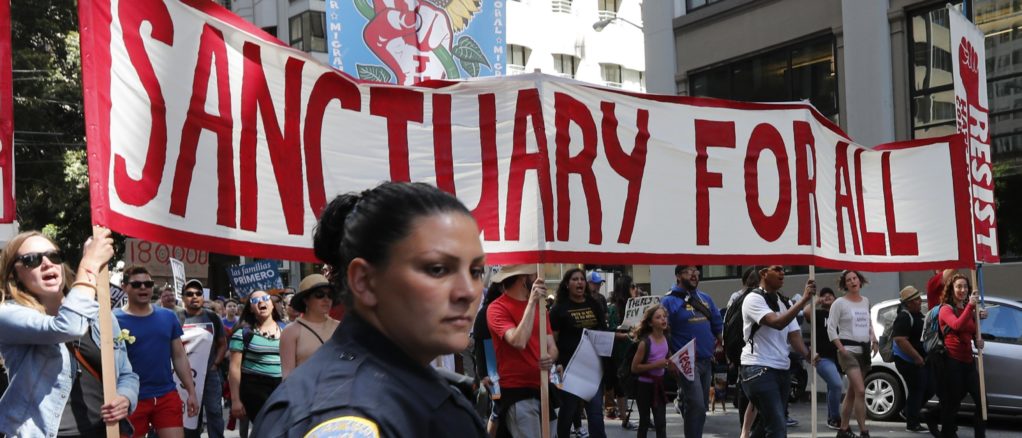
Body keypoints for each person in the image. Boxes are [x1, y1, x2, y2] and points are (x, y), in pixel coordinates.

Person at [253, 182, 488, 436]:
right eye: (438, 269)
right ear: (364, 281)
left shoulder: (406, 388)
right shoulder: (347, 416)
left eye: (476, 271)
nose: (468, 291)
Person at [0, 228, 139, 437]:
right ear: (15, 274)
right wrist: (90, 264)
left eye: (53, 256)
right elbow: (67, 326)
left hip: (103, 431)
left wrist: (126, 398)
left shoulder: (100, 313)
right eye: (31, 260)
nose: (47, 263)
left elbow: (127, 373)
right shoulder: (7, 313)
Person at [116, 265, 199, 438]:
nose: (144, 288)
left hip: (166, 395)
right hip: (130, 399)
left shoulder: (168, 317)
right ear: (124, 287)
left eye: (148, 283)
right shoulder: (113, 320)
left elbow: (179, 356)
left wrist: (191, 392)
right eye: (137, 284)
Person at [740, 265, 814, 438]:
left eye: (783, 269)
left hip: (781, 370)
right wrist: (803, 301)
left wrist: (808, 355)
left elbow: (794, 335)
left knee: (768, 424)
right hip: (758, 369)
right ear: (763, 273)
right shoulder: (753, 299)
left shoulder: (784, 302)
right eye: (777, 269)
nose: (783, 272)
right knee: (778, 428)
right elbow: (777, 322)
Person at [487, 264, 559, 437]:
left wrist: (550, 358)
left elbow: (552, 347)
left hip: (543, 389)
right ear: (523, 279)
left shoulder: (541, 308)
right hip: (518, 392)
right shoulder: (497, 308)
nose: (537, 279)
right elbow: (518, 341)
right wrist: (532, 302)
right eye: (533, 275)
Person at [661, 265, 723, 438]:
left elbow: (717, 325)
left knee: (699, 406)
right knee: (698, 406)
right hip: (685, 361)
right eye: (689, 271)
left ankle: (683, 402)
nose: (694, 275)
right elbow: (663, 332)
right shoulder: (668, 301)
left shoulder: (705, 298)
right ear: (678, 276)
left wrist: (724, 345)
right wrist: (669, 358)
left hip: (706, 360)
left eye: (696, 271)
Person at [551, 268, 608, 438]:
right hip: (569, 367)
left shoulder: (594, 304)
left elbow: (603, 331)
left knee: (596, 412)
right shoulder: (558, 309)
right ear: (567, 285)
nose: (579, 282)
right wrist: (557, 363)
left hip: (593, 366)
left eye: (582, 279)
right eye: (575, 279)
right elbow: (552, 339)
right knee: (569, 410)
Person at [827, 270, 878, 438]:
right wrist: (841, 349)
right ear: (845, 284)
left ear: (860, 280)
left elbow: (868, 323)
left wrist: (874, 339)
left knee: (852, 392)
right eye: (848, 280)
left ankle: (843, 430)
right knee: (861, 391)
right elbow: (831, 328)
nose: (852, 281)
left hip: (864, 351)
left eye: (855, 278)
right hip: (848, 351)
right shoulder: (839, 303)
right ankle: (864, 432)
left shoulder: (865, 301)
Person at [938, 274, 987, 438]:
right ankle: (947, 432)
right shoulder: (945, 309)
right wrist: (970, 307)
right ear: (952, 289)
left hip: (969, 362)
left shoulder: (969, 309)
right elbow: (957, 325)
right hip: (953, 362)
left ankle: (980, 435)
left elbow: (971, 331)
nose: (963, 290)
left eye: (965, 286)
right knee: (953, 403)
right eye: (958, 286)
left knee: (983, 402)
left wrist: (978, 340)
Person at [228, 290, 285, 429]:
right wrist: (235, 401)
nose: (261, 302)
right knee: (267, 429)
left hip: (283, 386)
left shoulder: (288, 330)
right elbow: (234, 369)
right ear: (251, 309)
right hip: (255, 389)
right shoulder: (242, 333)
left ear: (272, 305)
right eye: (255, 301)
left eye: (265, 298)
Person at [179, 279, 227, 438]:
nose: (194, 297)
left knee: (214, 411)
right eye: (190, 294)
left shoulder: (213, 317)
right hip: (185, 376)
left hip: (210, 375)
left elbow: (222, 344)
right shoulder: (177, 318)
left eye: (198, 293)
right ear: (183, 297)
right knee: (191, 413)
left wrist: (215, 364)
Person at [279, 274, 339, 378]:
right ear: (306, 300)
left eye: (330, 295)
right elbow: (287, 376)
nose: (326, 299)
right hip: (305, 392)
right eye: (319, 295)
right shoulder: (291, 331)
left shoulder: (340, 327)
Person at [889, 285, 930, 434]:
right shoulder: (904, 317)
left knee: (929, 386)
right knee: (917, 388)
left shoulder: (918, 314)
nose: (920, 301)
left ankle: (908, 411)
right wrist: (917, 357)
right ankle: (912, 423)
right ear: (908, 303)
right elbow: (900, 340)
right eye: (916, 299)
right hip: (907, 360)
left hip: (919, 360)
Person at [803, 286, 843, 430]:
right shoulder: (818, 314)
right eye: (824, 295)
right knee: (837, 384)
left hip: (839, 357)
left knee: (833, 387)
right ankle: (835, 417)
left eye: (830, 295)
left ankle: (830, 418)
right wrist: (816, 301)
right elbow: (806, 312)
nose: (827, 296)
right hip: (822, 358)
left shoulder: (840, 314)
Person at [630, 305, 670, 438]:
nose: (663, 320)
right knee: (645, 421)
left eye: (664, 316)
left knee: (661, 423)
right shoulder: (645, 343)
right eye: (658, 317)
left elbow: (667, 359)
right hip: (644, 386)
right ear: (650, 322)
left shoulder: (667, 338)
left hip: (659, 385)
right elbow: (634, 368)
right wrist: (656, 365)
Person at [607, 275, 639, 429]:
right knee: (621, 385)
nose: (636, 290)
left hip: (636, 349)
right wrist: (627, 334)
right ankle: (624, 417)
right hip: (621, 353)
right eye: (632, 287)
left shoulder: (637, 306)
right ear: (625, 288)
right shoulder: (614, 308)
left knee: (640, 383)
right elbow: (611, 331)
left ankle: (644, 417)